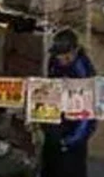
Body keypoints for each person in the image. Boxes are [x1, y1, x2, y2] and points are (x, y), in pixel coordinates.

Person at [41, 29, 96, 177]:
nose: (61, 60)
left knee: (70, 169)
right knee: (49, 166)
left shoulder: (83, 73)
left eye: (65, 56)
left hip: (73, 130)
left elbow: (87, 117)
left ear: (75, 50)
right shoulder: (54, 60)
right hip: (54, 122)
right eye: (58, 55)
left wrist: (70, 140)